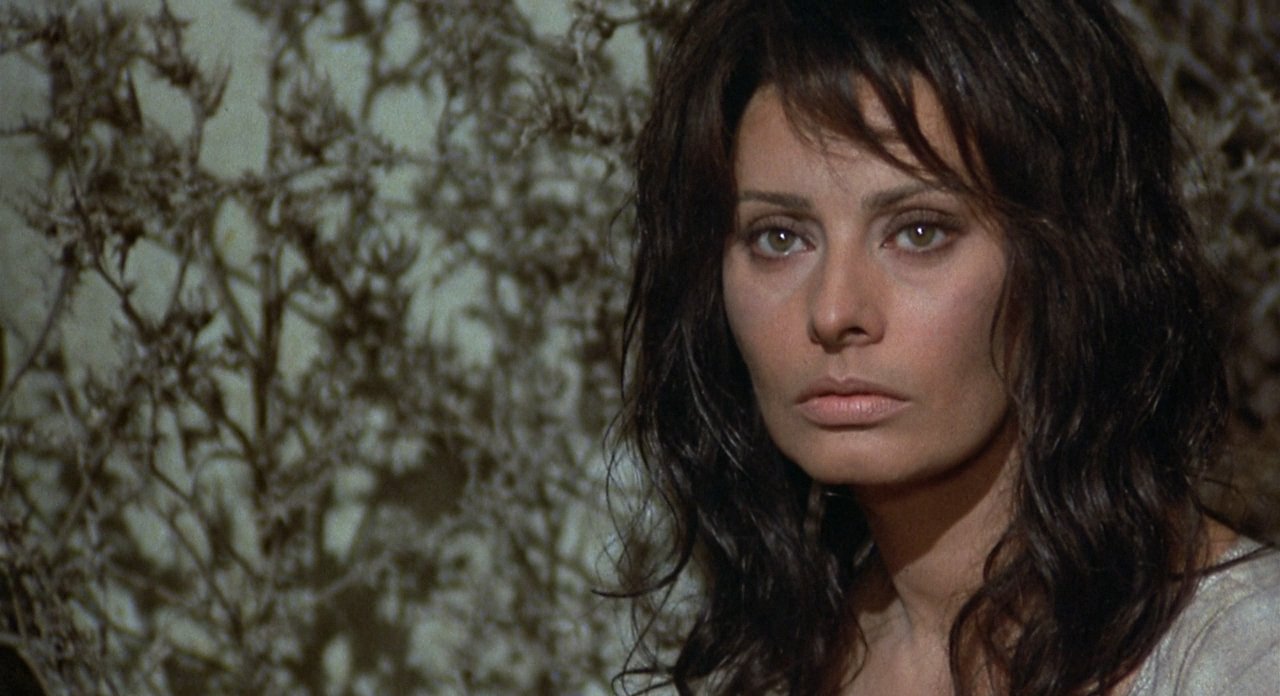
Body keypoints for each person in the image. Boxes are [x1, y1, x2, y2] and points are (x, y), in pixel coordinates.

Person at [612, 0, 1280, 694]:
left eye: (919, 232)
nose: (834, 312)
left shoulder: (1248, 659)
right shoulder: (766, 663)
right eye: (779, 238)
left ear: (1070, 264)